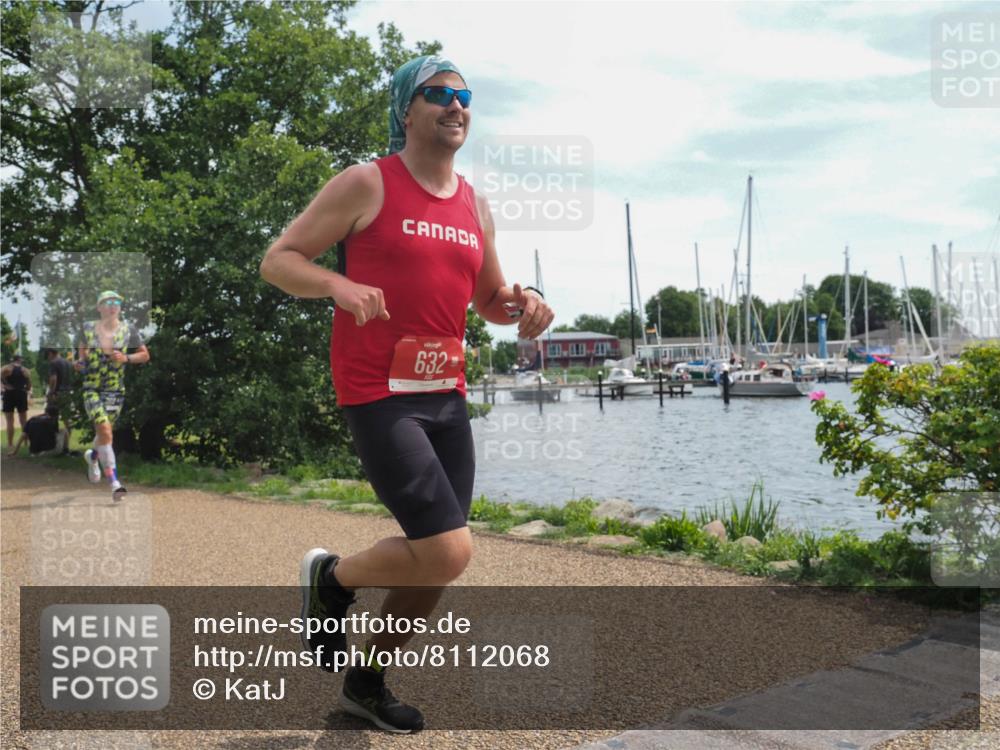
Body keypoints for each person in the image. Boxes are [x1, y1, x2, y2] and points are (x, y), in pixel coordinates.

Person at [260, 55, 554, 733]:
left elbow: (489, 301)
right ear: (406, 110)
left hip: (445, 394)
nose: (456, 106)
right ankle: (332, 580)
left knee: (434, 561)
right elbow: (280, 259)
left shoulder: (475, 203)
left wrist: (527, 305)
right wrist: (337, 285)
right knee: (449, 548)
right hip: (378, 392)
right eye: (438, 95)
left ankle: (365, 684)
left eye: (464, 96)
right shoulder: (367, 184)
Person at [76, 291, 150, 501]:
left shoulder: (129, 330)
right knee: (106, 431)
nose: (112, 305)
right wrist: (79, 364)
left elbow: (145, 355)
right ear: (99, 307)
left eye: (116, 302)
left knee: (104, 435)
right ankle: (115, 483)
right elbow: (80, 359)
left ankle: (93, 457)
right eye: (108, 302)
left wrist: (126, 357)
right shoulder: (87, 329)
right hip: (92, 388)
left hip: (116, 390)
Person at [1, 354, 32, 450]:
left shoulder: (6, 369)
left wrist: (5, 385)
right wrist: (26, 389)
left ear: (12, 360)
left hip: (9, 394)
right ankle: (26, 443)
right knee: (23, 420)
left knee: (10, 421)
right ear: (20, 360)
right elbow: (29, 385)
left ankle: (10, 444)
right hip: (21, 394)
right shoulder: (25, 370)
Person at [45, 348, 75, 445]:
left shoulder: (54, 363)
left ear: (50, 353)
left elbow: (54, 378)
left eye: (47, 355)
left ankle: (53, 443)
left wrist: (51, 392)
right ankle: (66, 444)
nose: (48, 358)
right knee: (67, 419)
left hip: (57, 393)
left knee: (52, 417)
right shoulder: (69, 363)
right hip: (68, 392)